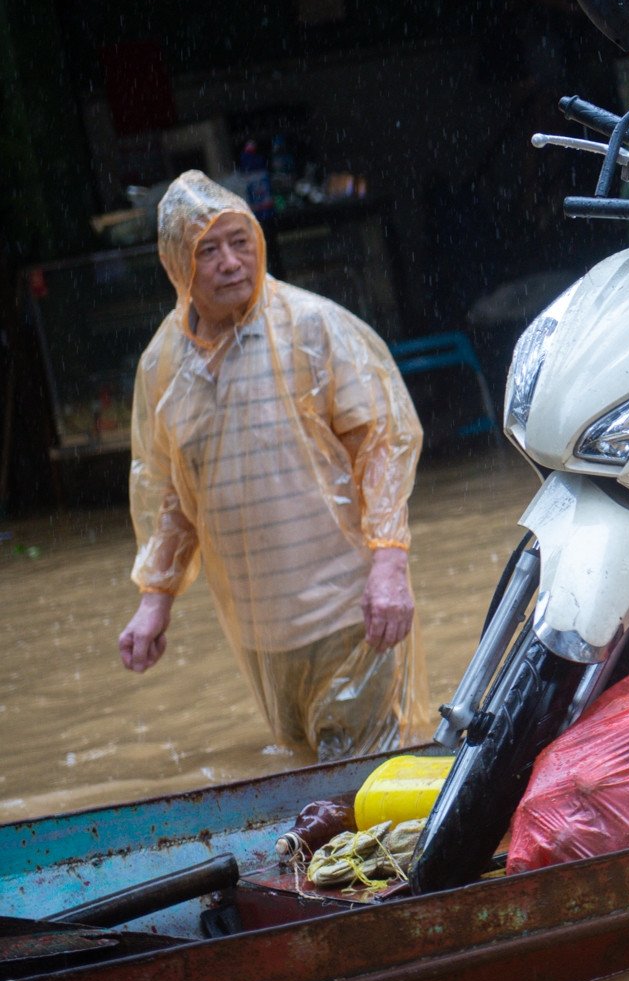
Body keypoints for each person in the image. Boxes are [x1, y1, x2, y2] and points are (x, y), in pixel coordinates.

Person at [116, 172, 433, 758]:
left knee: (363, 778)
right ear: (176, 264)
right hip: (261, 634)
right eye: (207, 250)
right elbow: (172, 495)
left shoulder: (309, 327)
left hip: (347, 612)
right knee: (309, 780)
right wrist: (154, 601)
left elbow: (380, 443)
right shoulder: (163, 363)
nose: (231, 262)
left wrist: (389, 566)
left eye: (240, 241)